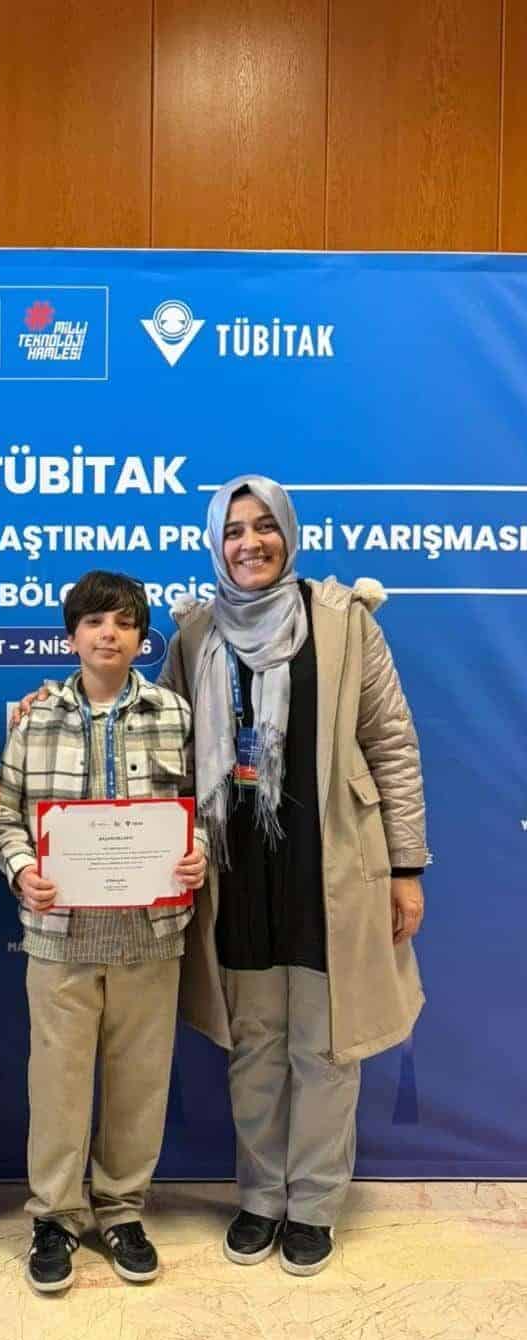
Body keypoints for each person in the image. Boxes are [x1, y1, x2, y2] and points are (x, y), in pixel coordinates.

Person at [166, 476, 428, 1276]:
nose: (249, 542)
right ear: (215, 545)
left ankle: (311, 1204)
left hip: (328, 862)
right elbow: (163, 741)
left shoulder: (344, 622)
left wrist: (405, 865)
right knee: (254, 1044)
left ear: (287, 532)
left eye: (263, 526)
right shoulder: (195, 633)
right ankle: (259, 1198)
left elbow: (390, 742)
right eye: (232, 531)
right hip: (235, 867)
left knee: (324, 1042)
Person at [0, 571, 207, 1293]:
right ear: (71, 637)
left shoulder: (175, 713)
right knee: (56, 1082)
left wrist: (196, 851)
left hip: (150, 933)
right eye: (93, 622)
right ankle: (55, 1216)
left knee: (139, 1081)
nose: (108, 634)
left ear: (142, 638)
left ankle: (121, 1209)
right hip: (60, 935)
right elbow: (5, 816)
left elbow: (202, 808)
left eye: (122, 623)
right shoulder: (35, 720)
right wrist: (23, 869)